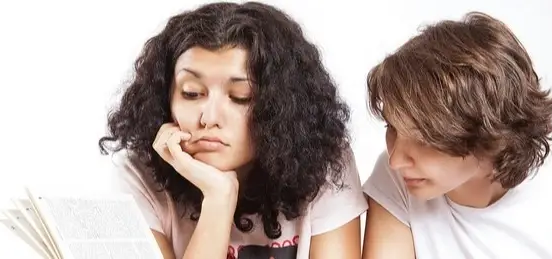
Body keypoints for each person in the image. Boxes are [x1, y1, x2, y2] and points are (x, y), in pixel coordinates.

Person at [98, 2, 367, 259]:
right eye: (191, 93)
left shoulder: (325, 165)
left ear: (281, 107)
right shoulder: (138, 173)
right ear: (165, 99)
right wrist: (218, 199)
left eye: (240, 96)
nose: (209, 118)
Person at [361, 12, 552, 259]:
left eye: (424, 139)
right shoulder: (396, 179)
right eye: (392, 129)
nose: (396, 160)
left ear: (490, 138)